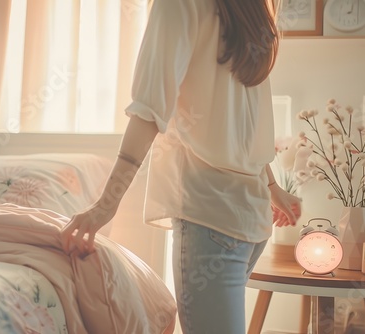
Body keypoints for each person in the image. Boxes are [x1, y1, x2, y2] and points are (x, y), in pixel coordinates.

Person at [61, 0, 302, 333]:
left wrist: (105, 206)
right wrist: (272, 188)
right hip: (250, 217)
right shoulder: (250, 8)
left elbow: (148, 112)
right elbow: (242, 122)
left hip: (211, 217)